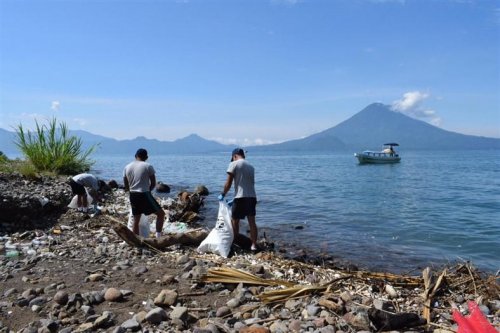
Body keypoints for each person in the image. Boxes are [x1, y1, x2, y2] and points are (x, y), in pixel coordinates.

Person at [218, 148, 258, 251]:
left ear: (235, 156)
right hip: (252, 197)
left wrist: (223, 194)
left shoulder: (234, 164)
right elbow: (246, 184)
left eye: (233, 158)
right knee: (252, 222)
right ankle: (253, 245)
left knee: (235, 221)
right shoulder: (251, 166)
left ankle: (235, 242)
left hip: (240, 198)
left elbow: (229, 183)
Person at [123, 148, 165, 238]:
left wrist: (130, 191)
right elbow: (153, 183)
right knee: (161, 214)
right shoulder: (147, 166)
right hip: (144, 193)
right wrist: (148, 191)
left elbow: (126, 184)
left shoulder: (127, 167)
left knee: (136, 220)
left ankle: (136, 241)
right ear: (146, 157)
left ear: (135, 156)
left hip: (133, 194)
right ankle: (158, 237)